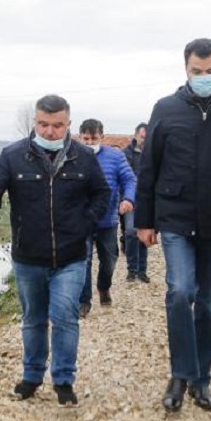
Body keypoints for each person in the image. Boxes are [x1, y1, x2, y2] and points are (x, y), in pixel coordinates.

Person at [136, 38, 211, 412]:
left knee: (207, 303)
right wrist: (144, 220)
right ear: (185, 70)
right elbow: (149, 167)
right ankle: (180, 374)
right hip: (174, 217)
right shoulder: (166, 109)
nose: (203, 77)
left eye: (210, 71)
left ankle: (201, 379)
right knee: (179, 291)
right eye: (196, 71)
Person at [0, 94, 110, 406]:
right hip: (28, 257)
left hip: (71, 256)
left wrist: (84, 224)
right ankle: (32, 376)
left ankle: (63, 379)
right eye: (44, 125)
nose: (50, 131)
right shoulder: (13, 156)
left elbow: (102, 194)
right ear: (35, 123)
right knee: (33, 318)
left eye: (57, 125)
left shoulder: (83, 157)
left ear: (68, 124)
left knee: (64, 316)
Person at [77, 118, 137, 317]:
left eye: (94, 138)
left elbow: (130, 179)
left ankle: (104, 286)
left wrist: (128, 198)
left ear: (102, 136)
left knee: (109, 259)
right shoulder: (73, 156)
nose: (89, 142)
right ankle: (84, 301)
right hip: (82, 219)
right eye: (86, 138)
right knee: (82, 260)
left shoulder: (115, 156)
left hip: (108, 219)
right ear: (80, 137)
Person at [121, 122, 150, 283]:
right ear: (136, 135)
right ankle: (132, 269)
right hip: (131, 199)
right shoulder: (126, 154)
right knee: (131, 233)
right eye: (142, 137)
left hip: (147, 200)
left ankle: (142, 270)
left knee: (144, 234)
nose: (144, 140)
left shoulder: (152, 155)